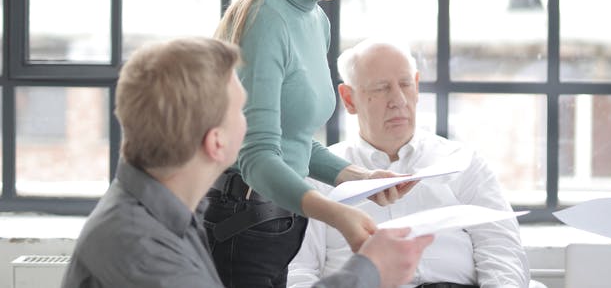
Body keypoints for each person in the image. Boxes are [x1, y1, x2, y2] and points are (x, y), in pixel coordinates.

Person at [61, 37, 435, 288]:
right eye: (245, 111)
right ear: (217, 143)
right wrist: (369, 271)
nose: (261, 122)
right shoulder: (141, 249)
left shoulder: (162, 212)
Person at [208, 0, 414, 287]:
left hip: (275, 220)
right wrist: (336, 212)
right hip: (243, 223)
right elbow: (257, 157)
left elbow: (294, 142)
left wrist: (361, 179)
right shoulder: (266, 20)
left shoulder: (315, 19)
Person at [288, 39, 531, 288]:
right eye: (381, 88)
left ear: (416, 86)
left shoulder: (463, 162)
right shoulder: (319, 177)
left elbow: (503, 252)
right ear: (349, 99)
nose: (398, 100)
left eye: (405, 84)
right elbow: (299, 270)